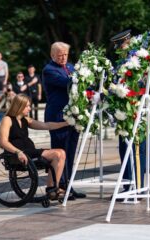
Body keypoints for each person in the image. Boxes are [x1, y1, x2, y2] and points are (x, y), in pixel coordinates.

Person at [0, 94, 67, 197]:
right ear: (19, 106)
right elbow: (3, 142)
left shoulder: (26, 120)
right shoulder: (7, 119)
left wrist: (66, 124)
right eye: (27, 106)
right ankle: (52, 188)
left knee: (61, 153)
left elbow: (46, 125)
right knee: (57, 153)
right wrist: (18, 152)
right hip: (17, 153)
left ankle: (53, 188)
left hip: (29, 151)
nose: (30, 109)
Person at [110, 30, 150, 195]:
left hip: (135, 108)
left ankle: (138, 188)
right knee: (124, 149)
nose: (119, 49)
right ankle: (128, 186)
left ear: (127, 43)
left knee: (135, 149)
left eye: (120, 45)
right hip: (124, 110)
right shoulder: (122, 62)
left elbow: (139, 83)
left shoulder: (137, 60)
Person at [43, 41, 86, 199]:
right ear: (52, 55)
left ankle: (67, 184)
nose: (63, 58)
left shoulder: (70, 67)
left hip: (73, 116)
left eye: (65, 55)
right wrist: (84, 78)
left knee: (71, 151)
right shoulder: (49, 70)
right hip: (57, 117)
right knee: (60, 151)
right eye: (59, 55)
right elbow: (68, 83)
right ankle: (58, 186)